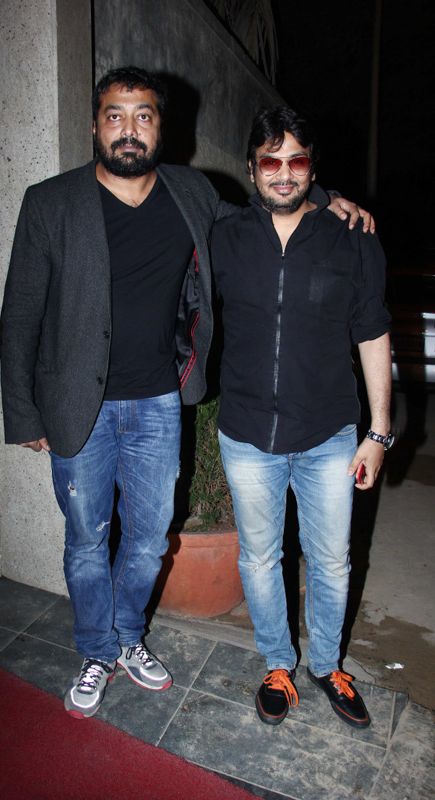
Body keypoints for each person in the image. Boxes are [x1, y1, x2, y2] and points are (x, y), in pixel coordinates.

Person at [0, 67, 371, 720]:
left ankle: (128, 636)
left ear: (160, 127)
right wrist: (24, 413)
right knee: (86, 542)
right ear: (95, 125)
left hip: (158, 403)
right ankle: (95, 651)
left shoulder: (190, 193)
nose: (129, 129)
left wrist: (329, 196)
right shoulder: (49, 202)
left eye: (142, 116)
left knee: (148, 541)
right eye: (115, 116)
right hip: (76, 408)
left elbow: (270, 208)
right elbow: (19, 314)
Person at [211, 106, 392, 729]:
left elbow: (373, 332)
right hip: (247, 433)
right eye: (271, 160)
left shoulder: (352, 237)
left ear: (313, 168)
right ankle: (277, 664)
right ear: (251, 168)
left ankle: (327, 665)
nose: (284, 173)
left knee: (332, 561)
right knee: (260, 558)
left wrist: (379, 431)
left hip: (329, 435)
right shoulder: (225, 236)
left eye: (297, 160)